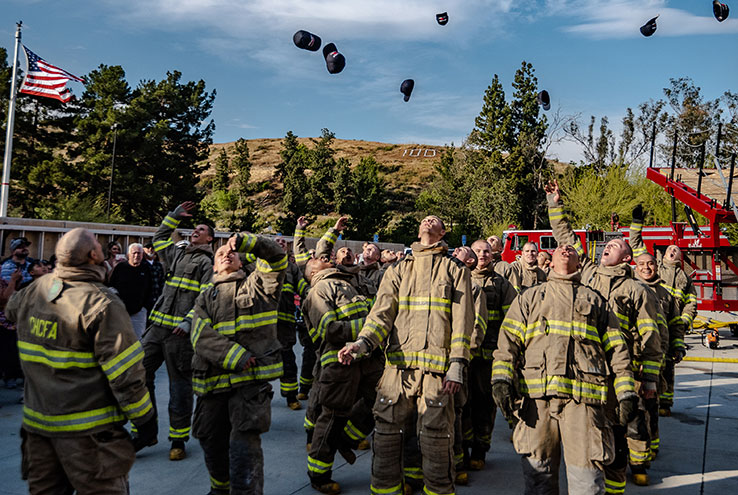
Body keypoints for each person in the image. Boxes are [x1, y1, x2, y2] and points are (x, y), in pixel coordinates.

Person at [5, 227, 156, 494]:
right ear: (93, 256)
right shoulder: (102, 303)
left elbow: (11, 310)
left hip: (38, 430)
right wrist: (144, 419)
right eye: (98, 245)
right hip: (90, 436)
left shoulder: (35, 291)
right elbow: (125, 373)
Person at [338, 215, 474, 495]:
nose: (428, 221)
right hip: (397, 372)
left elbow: (463, 323)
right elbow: (381, 316)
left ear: (442, 232)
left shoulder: (455, 270)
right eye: (425, 218)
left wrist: (457, 366)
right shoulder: (399, 270)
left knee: (437, 441)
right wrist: (361, 344)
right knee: (386, 437)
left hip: (437, 374)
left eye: (434, 220)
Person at [491, 244, 638, 495]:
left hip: (583, 405)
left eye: (571, 248)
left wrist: (625, 392)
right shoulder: (529, 298)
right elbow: (507, 343)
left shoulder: (595, 300)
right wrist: (501, 380)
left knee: (588, 480)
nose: (565, 249)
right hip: (538, 403)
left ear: (580, 263)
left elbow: (617, 350)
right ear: (548, 262)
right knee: (539, 477)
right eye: (560, 248)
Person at [546, 180, 660, 490]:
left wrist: (648, 379)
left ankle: (622, 480)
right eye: (607, 245)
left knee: (625, 427)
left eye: (616, 246)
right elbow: (565, 237)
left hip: (624, 370)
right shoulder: (589, 274)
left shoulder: (636, 290)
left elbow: (651, 336)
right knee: (597, 431)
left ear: (627, 259)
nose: (608, 245)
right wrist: (555, 205)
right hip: (590, 369)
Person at [190, 233, 287, 495]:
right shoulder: (205, 297)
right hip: (212, 383)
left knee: (244, 444)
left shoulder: (259, 284)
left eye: (230, 253)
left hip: (249, 386)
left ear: (241, 261)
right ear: (213, 267)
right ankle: (220, 489)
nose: (226, 255)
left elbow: (277, 258)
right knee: (209, 439)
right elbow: (199, 334)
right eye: (220, 255)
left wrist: (247, 242)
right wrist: (236, 356)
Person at [302, 254, 382, 494]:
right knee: (333, 416)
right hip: (339, 362)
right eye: (316, 258)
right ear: (312, 273)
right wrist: (371, 326)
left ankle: (346, 439)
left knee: (381, 401)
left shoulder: (348, 283)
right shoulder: (319, 289)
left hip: (367, 358)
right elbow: (330, 330)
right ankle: (319, 473)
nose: (323, 256)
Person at [142, 201, 214, 460]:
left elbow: (206, 298)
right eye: (194, 227)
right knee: (138, 374)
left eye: (201, 229)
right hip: (157, 328)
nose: (195, 230)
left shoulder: (209, 263)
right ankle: (145, 429)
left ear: (210, 238)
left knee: (179, 387)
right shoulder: (177, 253)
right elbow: (159, 236)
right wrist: (173, 217)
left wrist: (188, 322)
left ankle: (178, 439)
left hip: (179, 335)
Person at [629, 205, 696, 417]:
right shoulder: (652, 264)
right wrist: (636, 223)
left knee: (667, 369)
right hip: (645, 331)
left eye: (676, 250)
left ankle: (665, 404)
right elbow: (635, 243)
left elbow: (690, 305)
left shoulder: (686, 280)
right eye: (670, 248)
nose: (672, 249)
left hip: (667, 330)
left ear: (680, 258)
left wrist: (683, 325)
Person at [464, 239, 517, 471]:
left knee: (485, 405)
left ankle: (479, 450)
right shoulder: (459, 280)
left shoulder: (503, 285)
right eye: (477, 251)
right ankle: (461, 449)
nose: (482, 255)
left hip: (488, 357)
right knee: (462, 405)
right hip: (463, 354)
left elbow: (512, 323)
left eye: (486, 251)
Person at [631, 250, 685, 461]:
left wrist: (678, 346)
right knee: (635, 410)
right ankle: (637, 451)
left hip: (657, 362)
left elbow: (675, 325)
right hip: (634, 361)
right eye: (642, 264)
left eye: (650, 263)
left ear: (657, 266)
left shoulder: (666, 295)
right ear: (635, 267)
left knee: (651, 408)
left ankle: (652, 446)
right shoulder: (629, 290)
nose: (646, 267)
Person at [274, 236, 310, 410]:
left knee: (287, 361)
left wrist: (316, 294)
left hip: (285, 324)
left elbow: (302, 288)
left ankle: (290, 397)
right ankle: (258, 397)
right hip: (261, 324)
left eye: (283, 242)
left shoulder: (292, 268)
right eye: (276, 241)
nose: (281, 243)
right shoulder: (260, 263)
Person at [109, 243, 154, 339]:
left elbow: (151, 288)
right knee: (120, 339)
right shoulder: (121, 268)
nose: (137, 256)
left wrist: (145, 307)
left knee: (137, 340)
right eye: (134, 253)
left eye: (139, 253)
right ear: (129, 254)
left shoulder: (146, 269)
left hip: (139, 312)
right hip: (120, 311)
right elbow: (111, 287)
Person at [0, 267, 23, 389]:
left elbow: (12, 295)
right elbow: (4, 299)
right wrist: (13, 280)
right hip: (3, 324)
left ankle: (10, 376)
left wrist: (16, 282)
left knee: (10, 351)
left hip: (8, 323)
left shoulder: (2, 281)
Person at [144, 241, 166, 306]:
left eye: (153, 248)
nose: (150, 250)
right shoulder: (141, 264)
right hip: (144, 301)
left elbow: (162, 282)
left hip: (156, 299)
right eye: (148, 247)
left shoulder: (158, 265)